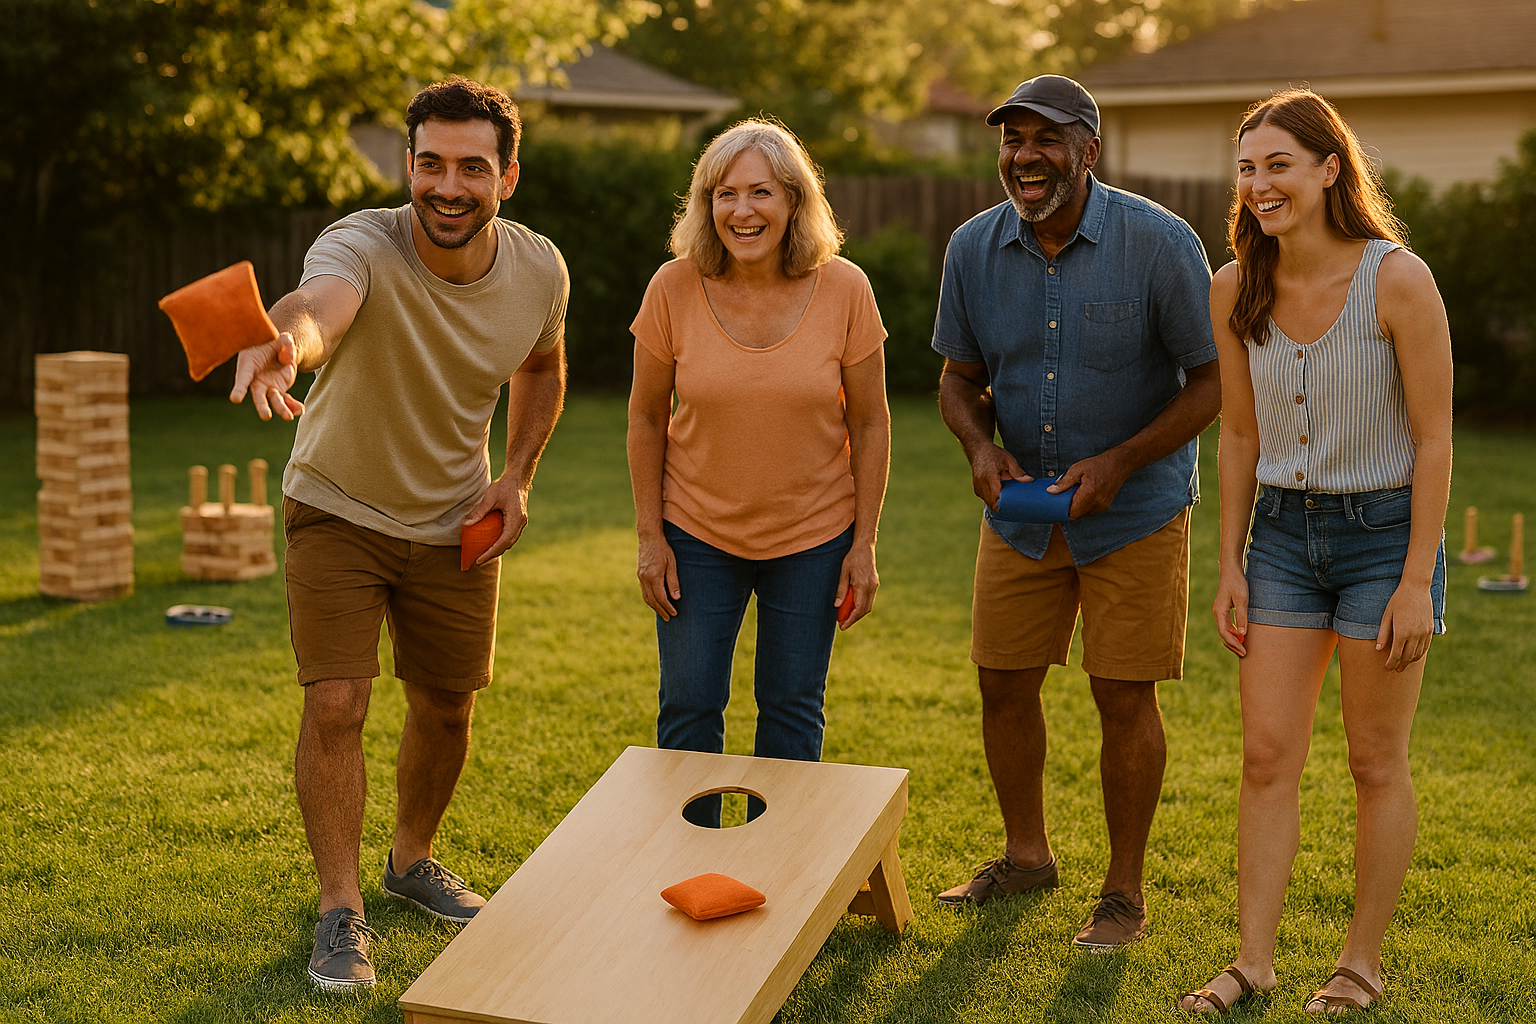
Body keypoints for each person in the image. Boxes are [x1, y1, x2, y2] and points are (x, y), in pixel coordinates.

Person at [228, 78, 569, 991]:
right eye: (429, 164)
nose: (447, 186)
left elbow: (542, 364)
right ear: (406, 165)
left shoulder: (539, 269)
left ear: (508, 177)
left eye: (471, 167)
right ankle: (342, 909)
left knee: (448, 705)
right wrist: (287, 345)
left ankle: (411, 860)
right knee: (337, 702)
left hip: (456, 516)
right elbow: (318, 305)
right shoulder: (360, 242)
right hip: (337, 504)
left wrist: (518, 475)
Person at [931, 74, 1221, 950]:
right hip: (1022, 515)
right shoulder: (972, 249)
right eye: (1014, 139)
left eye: (1047, 139)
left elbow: (1211, 381)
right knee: (1002, 681)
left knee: (1122, 693)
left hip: (1134, 513)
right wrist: (981, 450)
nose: (1026, 157)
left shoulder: (1162, 244)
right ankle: (1027, 857)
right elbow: (957, 379)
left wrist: (1123, 461)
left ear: (1090, 151)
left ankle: (1124, 895)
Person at [1177, 89, 1451, 1016]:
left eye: (1278, 165)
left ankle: (1359, 964)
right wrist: (1230, 563)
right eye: (1247, 169)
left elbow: (1435, 440)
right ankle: (1253, 963)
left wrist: (1417, 580)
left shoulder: (1398, 280)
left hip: (1383, 541)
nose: (1259, 186)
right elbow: (1241, 437)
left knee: (1376, 761)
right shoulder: (1232, 287)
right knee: (1266, 756)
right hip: (1284, 541)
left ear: (1331, 168)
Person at [626, 119, 890, 827]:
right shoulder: (673, 287)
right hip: (695, 535)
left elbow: (869, 424)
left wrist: (862, 545)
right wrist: (651, 538)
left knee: (792, 711)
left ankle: (779, 882)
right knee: (688, 706)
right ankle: (689, 864)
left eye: (761, 193)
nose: (742, 211)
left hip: (813, 538)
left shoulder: (846, 289)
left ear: (795, 201)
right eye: (725, 194)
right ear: (705, 204)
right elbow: (647, 418)